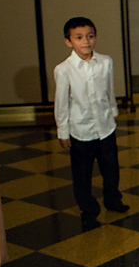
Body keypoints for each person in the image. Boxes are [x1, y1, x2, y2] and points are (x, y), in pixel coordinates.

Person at [54, 17, 129, 230]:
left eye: (90, 36)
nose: (86, 42)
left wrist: (113, 110)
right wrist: (63, 130)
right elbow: (62, 102)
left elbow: (109, 89)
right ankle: (88, 210)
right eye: (79, 38)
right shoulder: (64, 69)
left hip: (105, 126)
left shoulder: (105, 62)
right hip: (81, 130)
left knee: (111, 168)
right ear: (69, 42)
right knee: (82, 174)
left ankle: (113, 200)